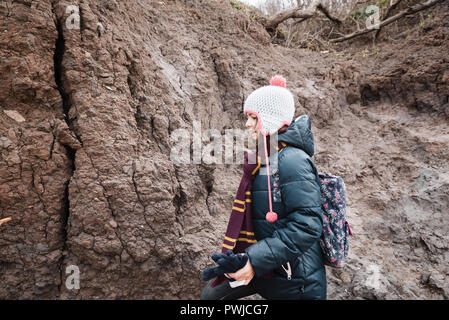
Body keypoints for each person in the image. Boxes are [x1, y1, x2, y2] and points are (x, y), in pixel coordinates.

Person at [200, 76, 326, 300]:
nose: (247, 124)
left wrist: (254, 260)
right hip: (267, 267)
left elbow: (308, 226)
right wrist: (247, 259)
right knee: (211, 297)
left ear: (269, 119)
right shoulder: (264, 158)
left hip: (296, 281)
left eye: (253, 117)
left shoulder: (293, 161)